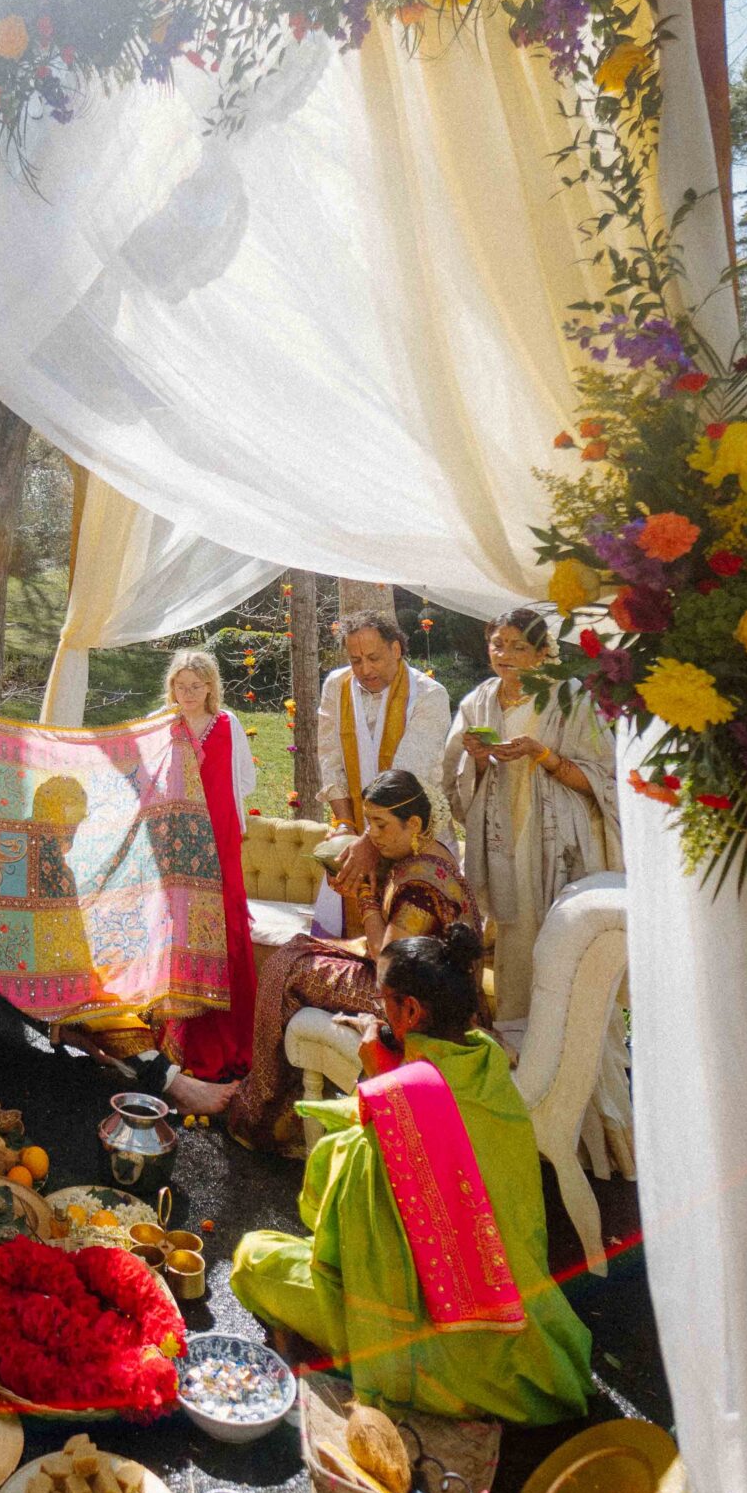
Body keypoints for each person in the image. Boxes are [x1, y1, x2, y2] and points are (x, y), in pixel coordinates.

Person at [230, 928, 593, 1426]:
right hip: (525, 1336)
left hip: (433, 1343)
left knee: (252, 1261)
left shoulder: (399, 1107)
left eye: (384, 1002)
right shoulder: (490, 1069)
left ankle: (381, 1367)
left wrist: (376, 1082)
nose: (378, 1014)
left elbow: (323, 1211)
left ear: (411, 1013)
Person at [223, 771, 480, 1154]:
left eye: (380, 825)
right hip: (427, 988)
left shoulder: (421, 885)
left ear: (414, 824)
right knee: (297, 951)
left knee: (286, 968)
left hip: (416, 1005)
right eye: (369, 823)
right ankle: (286, 1108)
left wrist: (366, 898)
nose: (371, 836)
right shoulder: (428, 854)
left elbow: (388, 960)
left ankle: (266, 1117)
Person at [442, 607, 621, 1051]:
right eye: (497, 644)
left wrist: (543, 755)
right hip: (502, 840)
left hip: (560, 846)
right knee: (515, 947)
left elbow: (604, 780)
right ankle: (523, 1058)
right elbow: (455, 782)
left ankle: (575, 1061)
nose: (504, 654)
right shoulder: (479, 701)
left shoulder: (571, 699)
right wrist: (478, 757)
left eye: (518, 646)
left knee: (562, 949)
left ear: (543, 653)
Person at [157, 649, 260, 1084]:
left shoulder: (228, 724)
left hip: (219, 839)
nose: (188, 694)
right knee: (177, 930)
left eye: (196, 687)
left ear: (211, 687)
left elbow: (246, 782)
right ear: (172, 687)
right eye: (181, 687)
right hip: (177, 843)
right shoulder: (162, 723)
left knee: (226, 929)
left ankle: (232, 1038)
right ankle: (174, 1040)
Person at [317, 613, 452, 930]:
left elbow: (407, 778)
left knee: (408, 947)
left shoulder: (430, 695)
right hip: (356, 835)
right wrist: (345, 826)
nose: (365, 669)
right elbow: (329, 757)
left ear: (396, 649)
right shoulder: (337, 686)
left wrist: (368, 842)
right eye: (356, 660)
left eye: (374, 658)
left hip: (412, 836)